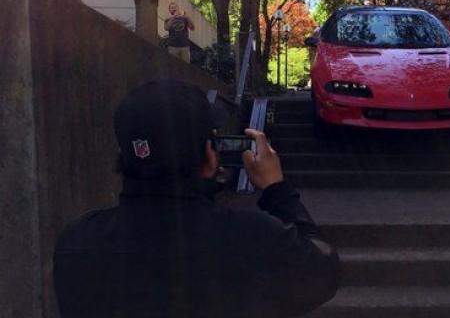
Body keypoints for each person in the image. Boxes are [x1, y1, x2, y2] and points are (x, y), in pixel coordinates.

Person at [53, 80, 340, 318]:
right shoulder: (253, 237)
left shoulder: (76, 241)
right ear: (209, 155)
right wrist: (277, 189)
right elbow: (323, 272)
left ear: (124, 158)